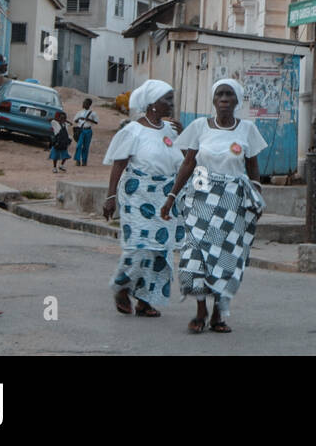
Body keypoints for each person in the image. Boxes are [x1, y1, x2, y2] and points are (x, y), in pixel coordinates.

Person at [162, 78, 266, 335]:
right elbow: (188, 164)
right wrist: (172, 196)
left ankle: (219, 314)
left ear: (237, 100)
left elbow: (252, 167)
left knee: (226, 258)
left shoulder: (247, 130)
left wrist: (256, 198)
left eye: (229, 94)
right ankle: (200, 310)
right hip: (200, 198)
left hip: (233, 202)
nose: (224, 99)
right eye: (219, 94)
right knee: (194, 256)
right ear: (213, 99)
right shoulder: (199, 127)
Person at [102, 79, 184, 317]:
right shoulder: (133, 130)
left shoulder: (171, 130)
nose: (171, 103)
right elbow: (119, 164)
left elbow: (186, 160)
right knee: (138, 247)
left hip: (165, 197)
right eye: (167, 99)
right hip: (137, 195)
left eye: (171, 98)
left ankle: (146, 300)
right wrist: (110, 196)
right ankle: (122, 286)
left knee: (161, 250)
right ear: (152, 104)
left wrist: (184, 134)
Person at [73, 98, 99, 167]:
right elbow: (75, 120)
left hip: (88, 130)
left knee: (86, 147)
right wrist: (79, 118)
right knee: (79, 145)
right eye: (83, 103)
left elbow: (96, 122)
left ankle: (84, 161)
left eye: (85, 103)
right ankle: (77, 160)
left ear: (89, 104)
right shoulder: (80, 112)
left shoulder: (93, 113)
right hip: (81, 130)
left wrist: (89, 119)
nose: (83, 104)